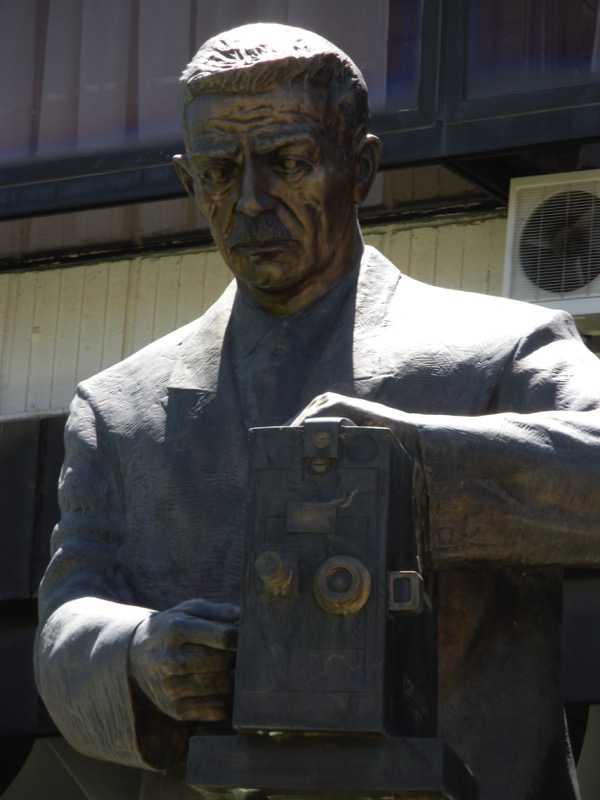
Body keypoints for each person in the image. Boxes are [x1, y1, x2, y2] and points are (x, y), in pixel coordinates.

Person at [34, 22, 600, 800]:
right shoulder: (119, 410)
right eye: (219, 172)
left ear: (360, 167)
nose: (251, 200)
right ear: (188, 182)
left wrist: (418, 471)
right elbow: (64, 625)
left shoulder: (502, 348)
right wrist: (137, 652)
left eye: (288, 161)